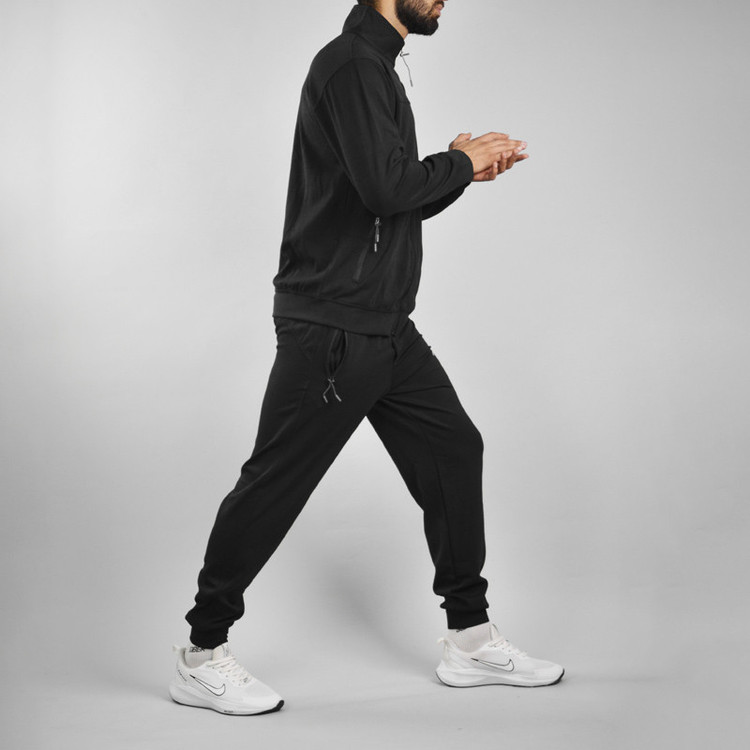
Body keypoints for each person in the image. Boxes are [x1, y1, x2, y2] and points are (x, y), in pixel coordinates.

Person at [169, 0, 564, 715]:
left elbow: (384, 200)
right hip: (332, 330)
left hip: (384, 329)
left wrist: (457, 173)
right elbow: (387, 189)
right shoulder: (351, 64)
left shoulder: (373, 65)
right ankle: (201, 653)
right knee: (275, 484)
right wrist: (457, 162)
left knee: (454, 448)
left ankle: (470, 639)